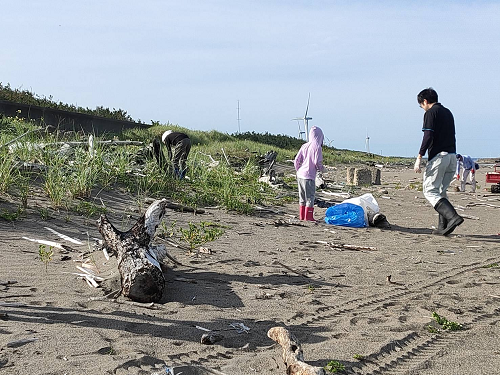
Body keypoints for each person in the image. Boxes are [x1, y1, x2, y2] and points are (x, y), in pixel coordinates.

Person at [414, 88, 463, 236]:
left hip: (439, 157)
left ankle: (453, 217)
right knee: (441, 191)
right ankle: (443, 227)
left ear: (425, 101)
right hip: (452, 156)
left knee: (429, 190)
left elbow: (428, 135)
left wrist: (419, 156)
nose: (422, 109)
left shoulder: (430, 112)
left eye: (421, 105)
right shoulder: (448, 112)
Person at [294, 126, 325, 221]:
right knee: (310, 197)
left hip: (300, 175)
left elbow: (296, 160)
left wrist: (298, 170)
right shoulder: (317, 148)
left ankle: (302, 216)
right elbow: (317, 162)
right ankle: (309, 217)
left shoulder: (305, 145)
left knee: (302, 197)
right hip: (309, 176)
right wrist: (322, 169)